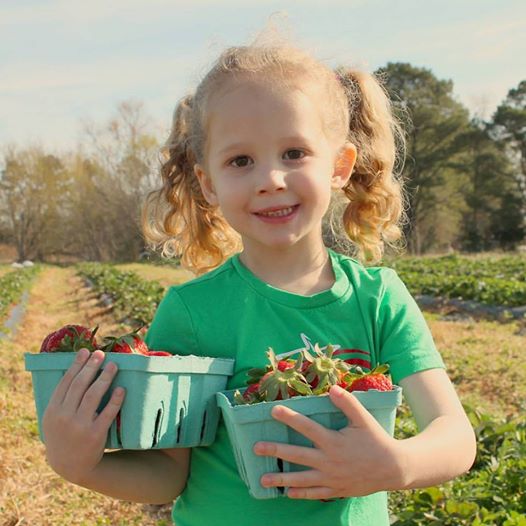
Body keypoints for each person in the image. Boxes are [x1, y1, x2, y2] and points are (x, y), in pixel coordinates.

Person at [41, 39, 476, 526]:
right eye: (240, 161)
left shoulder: (378, 299)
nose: (269, 177)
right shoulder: (192, 311)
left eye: (294, 152)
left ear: (339, 166)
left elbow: (454, 436)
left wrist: (397, 464)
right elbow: (169, 474)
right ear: (209, 184)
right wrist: (79, 463)